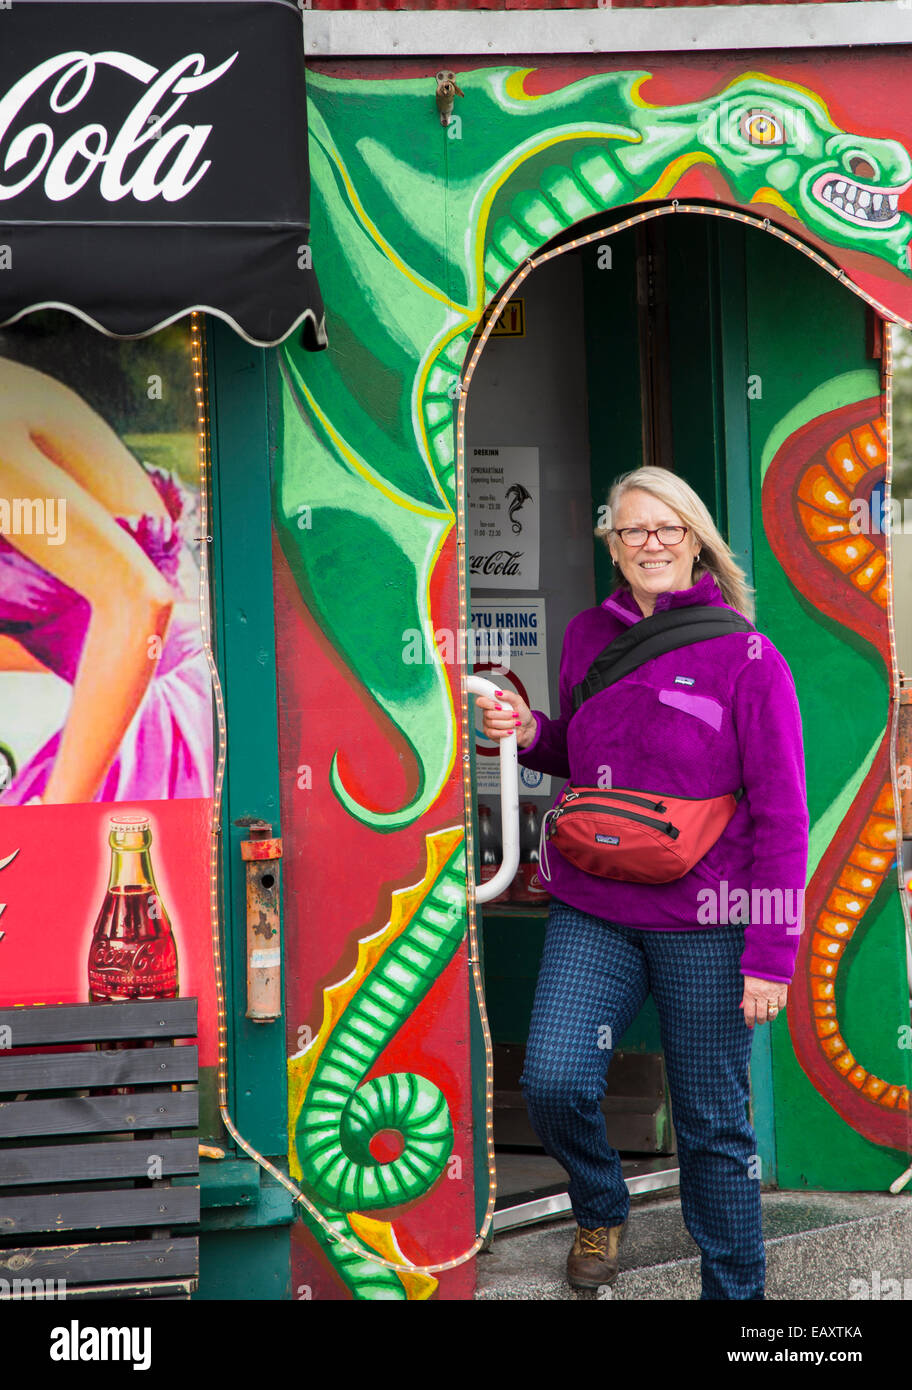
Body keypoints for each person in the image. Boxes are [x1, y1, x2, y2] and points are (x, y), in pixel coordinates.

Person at [477, 465, 809, 1300]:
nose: (651, 544)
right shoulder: (590, 635)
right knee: (553, 1078)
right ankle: (600, 1201)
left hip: (708, 920)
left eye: (668, 529)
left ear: (696, 541)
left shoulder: (749, 656)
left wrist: (771, 953)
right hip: (596, 907)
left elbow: (783, 814)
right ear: (613, 547)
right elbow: (583, 760)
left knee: (711, 1129)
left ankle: (738, 1301)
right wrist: (528, 731)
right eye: (633, 531)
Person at [0, 356, 212, 805]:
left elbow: (140, 601)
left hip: (159, 725)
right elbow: (65, 628)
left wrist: (59, 815)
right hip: (126, 710)